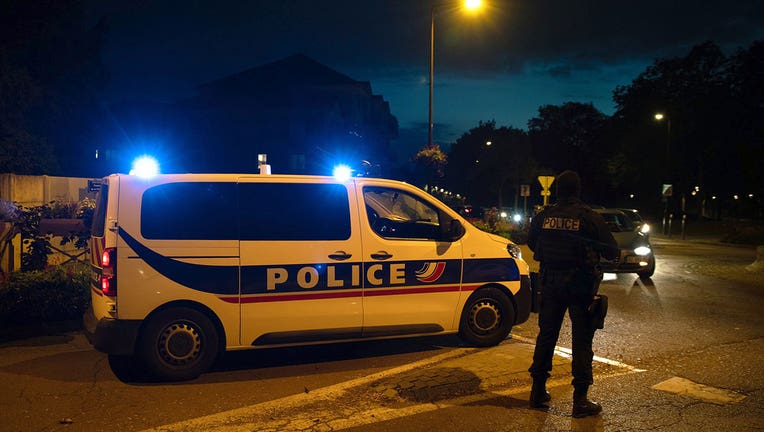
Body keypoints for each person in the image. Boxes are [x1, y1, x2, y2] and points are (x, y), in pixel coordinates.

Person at [527, 170, 619, 418]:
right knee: (581, 341)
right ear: (578, 190)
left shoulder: (544, 216)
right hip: (579, 284)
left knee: (546, 336)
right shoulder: (589, 217)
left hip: (550, 283)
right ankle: (580, 401)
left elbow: (532, 243)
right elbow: (612, 251)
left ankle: (537, 392)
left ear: (557, 190)